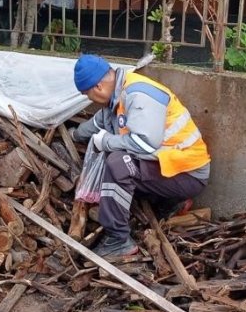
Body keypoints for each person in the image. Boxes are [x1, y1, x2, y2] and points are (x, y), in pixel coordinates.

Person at [70, 54, 211, 258]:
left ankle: (118, 240)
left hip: (188, 173)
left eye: (87, 94)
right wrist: (74, 135)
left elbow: (145, 144)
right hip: (170, 170)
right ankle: (170, 204)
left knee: (118, 163)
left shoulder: (138, 95)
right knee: (124, 165)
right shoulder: (116, 99)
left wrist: (106, 142)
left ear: (98, 87)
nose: (89, 99)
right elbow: (96, 124)